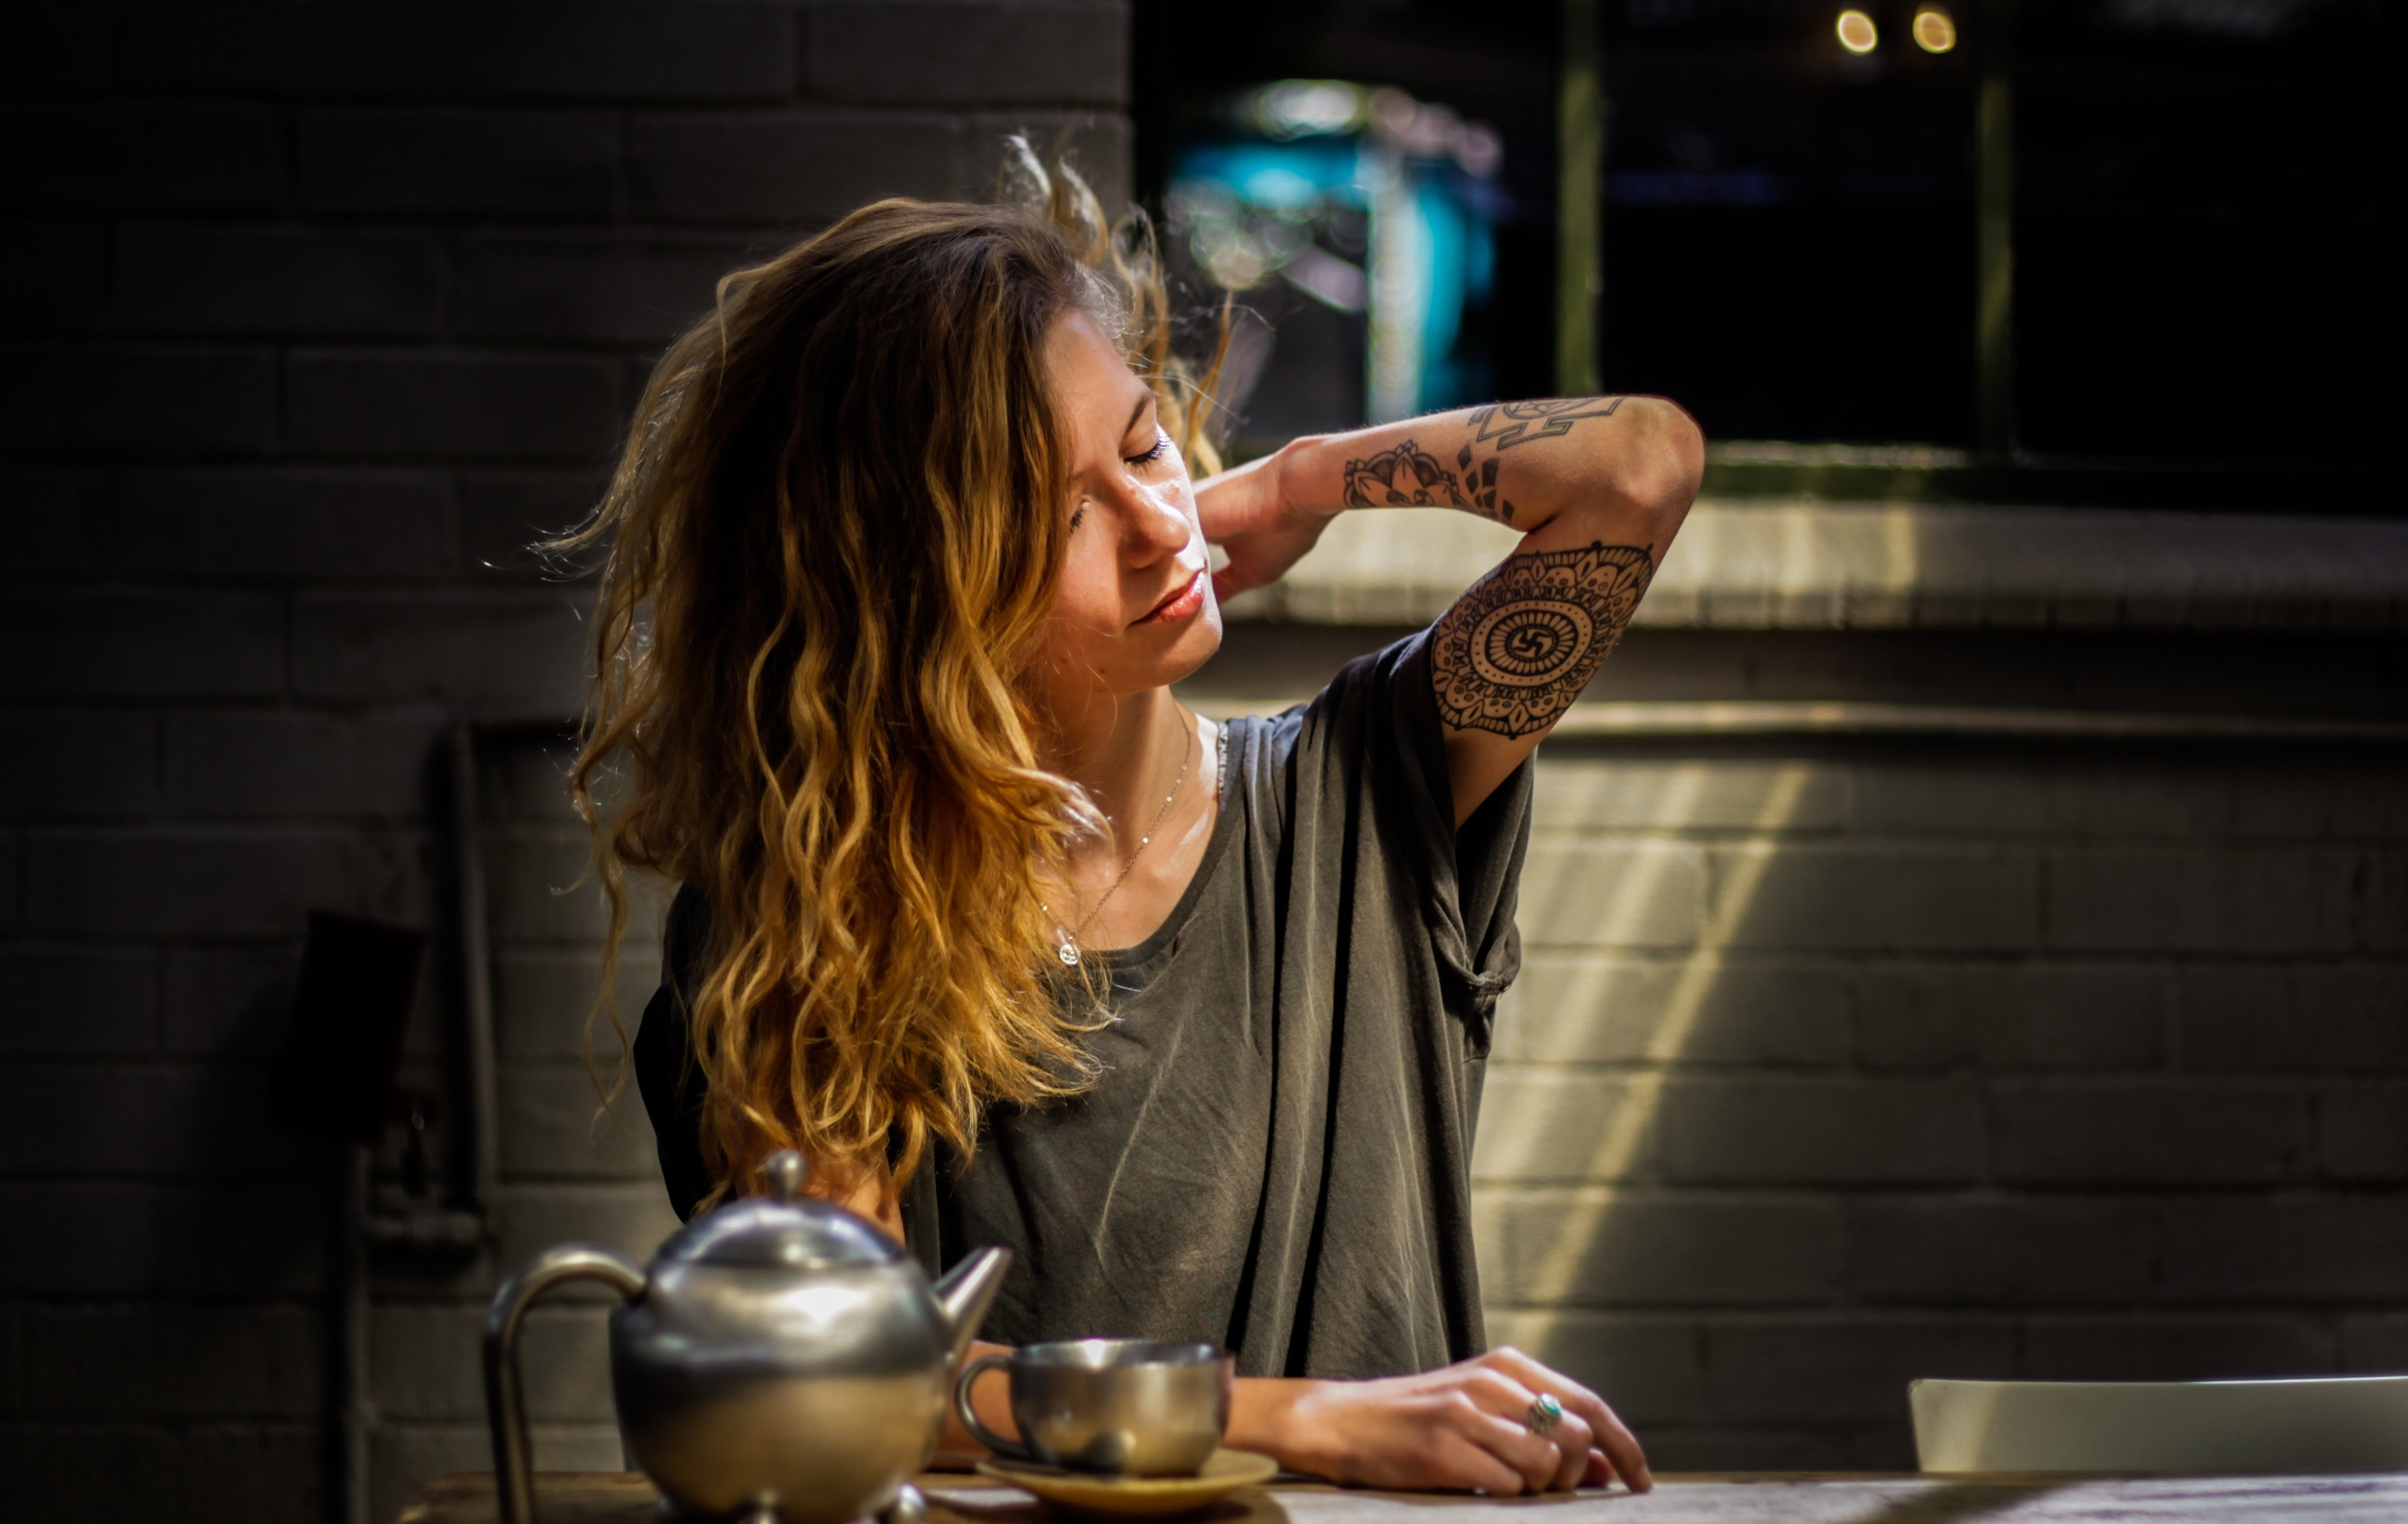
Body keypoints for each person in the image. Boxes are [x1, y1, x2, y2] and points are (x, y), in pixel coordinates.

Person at [565, 149, 1700, 1497]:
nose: (1161, 527)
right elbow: (827, 1383)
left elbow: (1636, 468)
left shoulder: (1367, 792)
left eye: (1146, 441)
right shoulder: (813, 918)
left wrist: (1299, 483)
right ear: (915, 603)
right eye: (1059, 518)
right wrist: (1301, 1417)